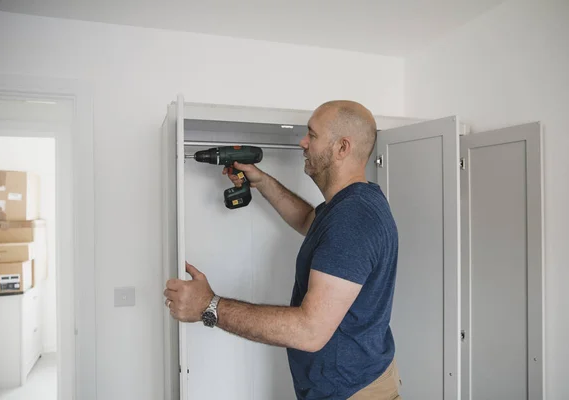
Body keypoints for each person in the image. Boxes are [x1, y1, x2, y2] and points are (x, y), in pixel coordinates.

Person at [164, 100, 401, 399]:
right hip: (352, 383)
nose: (303, 143)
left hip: (352, 392)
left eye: (312, 135)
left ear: (342, 148)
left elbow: (309, 331)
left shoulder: (352, 219)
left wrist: (209, 306)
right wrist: (261, 181)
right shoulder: (349, 206)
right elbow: (306, 219)